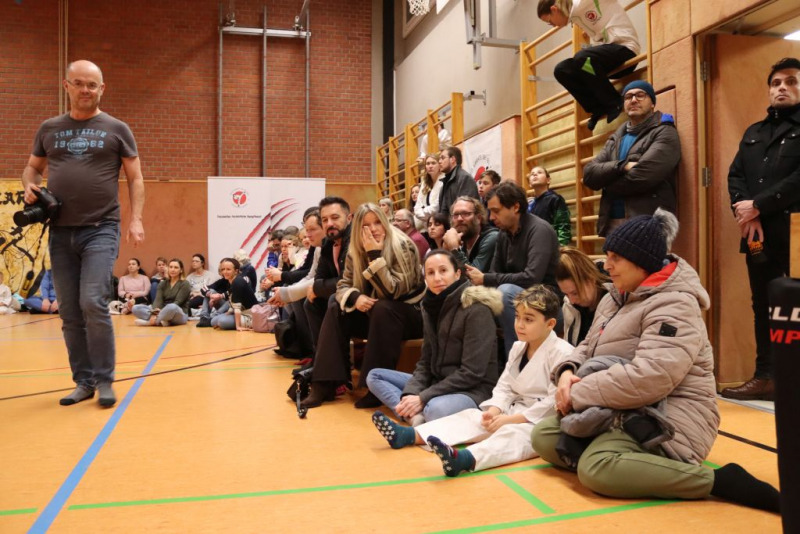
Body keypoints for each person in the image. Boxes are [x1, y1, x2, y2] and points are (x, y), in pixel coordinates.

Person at [531, 209, 781, 514]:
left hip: (669, 417)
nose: (606, 265)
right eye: (607, 256)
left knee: (596, 469)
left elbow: (650, 378)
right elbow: (587, 346)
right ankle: (621, 458)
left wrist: (578, 393)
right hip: (622, 407)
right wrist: (567, 372)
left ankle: (718, 481)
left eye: (615, 258)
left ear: (642, 262)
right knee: (543, 437)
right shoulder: (615, 296)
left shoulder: (675, 304)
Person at [21, 60, 145, 407]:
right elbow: (32, 167)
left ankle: (104, 381)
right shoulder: (49, 128)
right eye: (78, 83)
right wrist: (30, 185)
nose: (85, 90)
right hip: (60, 231)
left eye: (92, 84)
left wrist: (136, 219)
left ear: (102, 89)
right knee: (70, 312)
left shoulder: (117, 128)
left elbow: (135, 177)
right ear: (67, 86)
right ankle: (83, 381)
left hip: (101, 229)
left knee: (92, 301)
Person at [371, 285, 573, 477]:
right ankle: (408, 435)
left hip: (539, 422)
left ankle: (465, 459)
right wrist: (494, 411)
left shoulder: (563, 353)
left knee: (514, 435)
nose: (519, 324)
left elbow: (551, 404)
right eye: (517, 317)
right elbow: (504, 387)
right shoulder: (519, 347)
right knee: (472, 417)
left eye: (528, 319)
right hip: (513, 409)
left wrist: (511, 420)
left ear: (550, 324)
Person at [721, 57, 800, 401]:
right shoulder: (754, 132)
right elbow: (736, 175)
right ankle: (766, 377)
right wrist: (746, 211)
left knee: (796, 303)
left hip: (796, 230)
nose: (782, 87)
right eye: (776, 83)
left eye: (791, 81)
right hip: (757, 234)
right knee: (764, 303)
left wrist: (760, 204)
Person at [301, 203, 425, 409]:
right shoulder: (355, 249)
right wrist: (355, 297)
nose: (373, 229)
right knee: (336, 306)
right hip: (378, 313)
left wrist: (375, 256)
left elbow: (394, 292)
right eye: (366, 225)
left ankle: (375, 387)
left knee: (383, 308)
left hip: (411, 314)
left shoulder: (404, 245)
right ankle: (324, 384)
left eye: (377, 222)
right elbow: (342, 286)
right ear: (358, 228)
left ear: (385, 222)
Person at [367, 250, 500, 424]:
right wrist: (411, 394)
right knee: (375, 376)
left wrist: (423, 397)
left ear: (457, 274)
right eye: (430, 273)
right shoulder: (429, 306)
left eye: (443, 270)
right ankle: (414, 416)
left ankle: (416, 415)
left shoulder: (477, 309)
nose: (437, 278)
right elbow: (425, 361)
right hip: (438, 383)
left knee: (435, 409)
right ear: (425, 278)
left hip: (473, 390)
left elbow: (472, 373)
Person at [465, 182, 560, 361]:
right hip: (519, 300)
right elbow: (495, 272)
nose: (491, 217)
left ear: (515, 207)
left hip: (547, 304)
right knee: (471, 297)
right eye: (490, 212)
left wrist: (486, 278)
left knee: (506, 292)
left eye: (496, 211)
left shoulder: (539, 230)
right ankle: (480, 367)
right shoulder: (503, 233)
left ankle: (517, 362)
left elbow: (532, 278)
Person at [582, 80, 681, 237]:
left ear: (652, 103)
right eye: (628, 97)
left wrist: (606, 183)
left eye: (640, 95)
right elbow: (589, 175)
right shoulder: (616, 137)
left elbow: (643, 177)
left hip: (647, 223)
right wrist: (622, 166)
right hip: (613, 221)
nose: (633, 100)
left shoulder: (664, 132)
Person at [538, 0, 640, 131]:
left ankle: (614, 102)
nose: (552, 26)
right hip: (608, 62)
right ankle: (597, 108)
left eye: (550, 21)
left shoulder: (581, 3)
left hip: (626, 51)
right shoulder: (574, 16)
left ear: (554, 9)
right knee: (562, 69)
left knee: (582, 58)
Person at [268, 209, 326, 357]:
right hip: (320, 285)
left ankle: (314, 352)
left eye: (312, 229)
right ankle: (306, 349)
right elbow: (310, 274)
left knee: (305, 301)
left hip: (333, 289)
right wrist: (286, 293)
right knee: (295, 297)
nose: (307, 235)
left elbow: (315, 276)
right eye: (306, 230)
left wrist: (286, 290)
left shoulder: (320, 248)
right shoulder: (316, 248)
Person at [304, 196, 352, 351]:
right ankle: (319, 357)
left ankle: (336, 360)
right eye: (325, 220)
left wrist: (316, 288)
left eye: (335, 218)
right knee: (311, 302)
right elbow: (319, 277)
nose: (329, 223)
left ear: (349, 218)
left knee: (333, 300)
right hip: (340, 292)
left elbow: (347, 280)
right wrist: (317, 287)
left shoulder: (354, 241)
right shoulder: (327, 243)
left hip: (359, 295)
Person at [555, 247, 609, 345]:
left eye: (575, 293)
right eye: (566, 294)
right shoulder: (568, 306)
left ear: (591, 279)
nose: (572, 301)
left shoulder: (616, 301)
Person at [442, 196, 499, 272]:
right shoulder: (463, 241)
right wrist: (446, 251)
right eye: (455, 215)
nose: (459, 219)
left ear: (478, 218)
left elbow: (473, 276)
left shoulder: (492, 238)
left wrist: (454, 249)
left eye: (465, 214)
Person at [132, 259, 191, 327]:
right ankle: (163, 321)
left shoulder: (185, 284)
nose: (173, 269)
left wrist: (161, 312)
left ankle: (150, 322)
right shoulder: (163, 283)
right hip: (162, 311)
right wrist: (155, 312)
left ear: (181, 270)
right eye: (171, 267)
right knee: (135, 308)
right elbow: (158, 300)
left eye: (176, 267)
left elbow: (177, 302)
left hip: (179, 314)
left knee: (172, 306)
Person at [526, 166, 572, 246]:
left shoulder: (555, 199)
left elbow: (563, 226)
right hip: (532, 245)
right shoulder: (530, 204)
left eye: (539, 172)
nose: (535, 175)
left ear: (548, 180)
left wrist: (561, 247)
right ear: (530, 183)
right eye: (532, 174)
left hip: (549, 245)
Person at [437, 147, 479, 219]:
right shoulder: (445, 181)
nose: (439, 161)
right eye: (439, 159)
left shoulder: (465, 178)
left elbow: (465, 212)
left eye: (443, 158)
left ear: (452, 159)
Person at [413, 153, 444, 232]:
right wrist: (424, 214)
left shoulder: (443, 181)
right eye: (428, 163)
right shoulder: (425, 183)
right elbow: (417, 206)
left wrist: (423, 212)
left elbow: (436, 207)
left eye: (433, 163)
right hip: (426, 227)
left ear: (439, 165)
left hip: (440, 224)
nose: (430, 166)